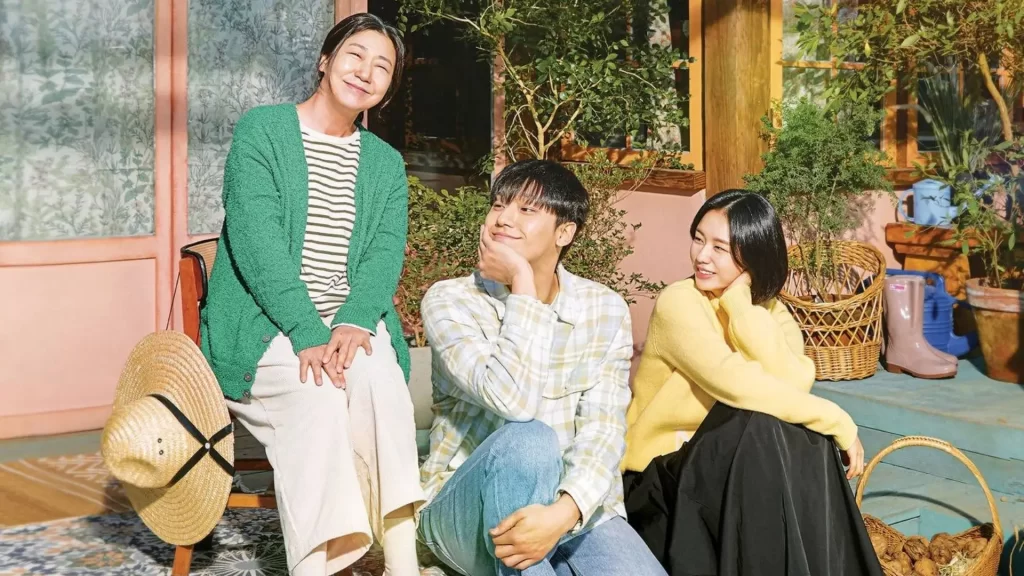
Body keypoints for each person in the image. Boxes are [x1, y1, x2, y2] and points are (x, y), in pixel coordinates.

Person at [198, 13, 424, 576]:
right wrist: (307, 330)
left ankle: (402, 560)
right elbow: (256, 242)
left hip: (349, 323)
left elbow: (384, 253)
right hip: (267, 322)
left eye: (382, 67)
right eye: (355, 55)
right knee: (317, 394)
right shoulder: (263, 130)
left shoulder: (385, 163)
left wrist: (355, 319)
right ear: (325, 60)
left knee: (382, 384)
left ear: (389, 87)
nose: (365, 72)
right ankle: (316, 567)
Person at [417, 159, 668, 576]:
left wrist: (563, 513)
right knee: (531, 439)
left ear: (564, 233)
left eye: (527, 210)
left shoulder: (603, 308)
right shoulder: (451, 301)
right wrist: (522, 284)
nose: (503, 218)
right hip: (461, 508)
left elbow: (603, 430)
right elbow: (512, 401)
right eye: (499, 205)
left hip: (568, 509)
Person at [621, 189, 883, 576]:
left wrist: (740, 307)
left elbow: (792, 383)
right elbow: (736, 383)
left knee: (796, 433)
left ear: (753, 255)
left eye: (720, 248)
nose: (702, 256)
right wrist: (839, 421)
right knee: (760, 424)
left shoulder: (770, 310)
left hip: (733, 466)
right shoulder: (679, 302)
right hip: (661, 479)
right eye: (698, 239)